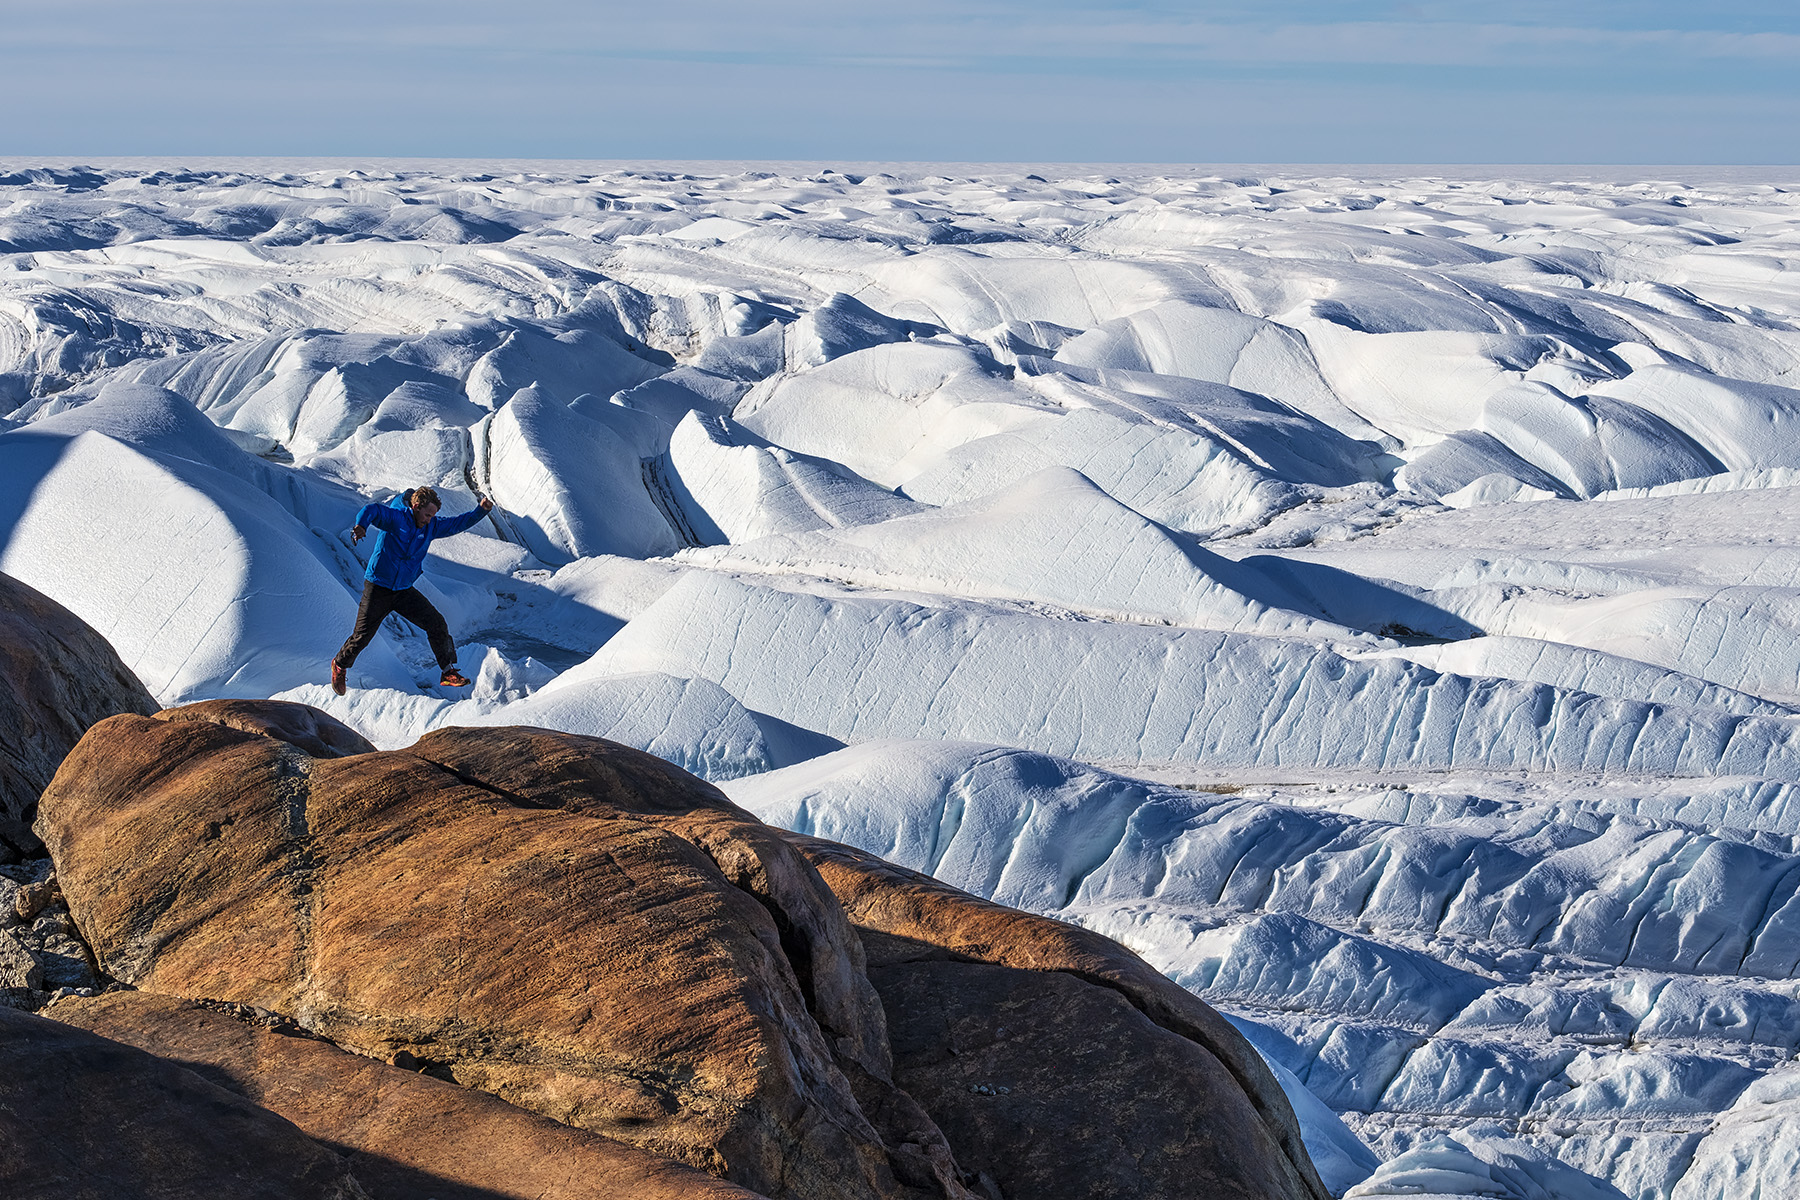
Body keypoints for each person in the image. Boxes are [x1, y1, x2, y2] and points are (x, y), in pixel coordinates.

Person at [331, 486, 495, 695]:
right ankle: (339, 664)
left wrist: (480, 511)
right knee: (362, 635)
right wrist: (361, 525)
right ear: (416, 507)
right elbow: (372, 510)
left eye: (432, 515)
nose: (429, 519)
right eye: (427, 514)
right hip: (378, 587)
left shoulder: (431, 526)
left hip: (403, 590)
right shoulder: (397, 519)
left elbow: (457, 524)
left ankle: (448, 672)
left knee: (436, 622)